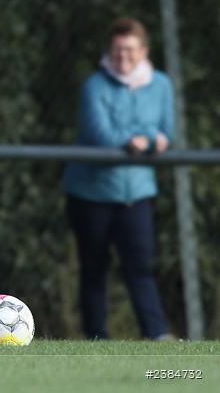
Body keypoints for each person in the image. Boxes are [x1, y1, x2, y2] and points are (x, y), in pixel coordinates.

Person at [63, 18, 174, 340]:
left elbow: (167, 132)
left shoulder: (162, 85)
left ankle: (157, 335)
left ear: (143, 51)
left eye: (129, 50)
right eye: (117, 50)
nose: (123, 57)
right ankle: (96, 337)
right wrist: (140, 139)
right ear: (109, 51)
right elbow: (100, 135)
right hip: (91, 194)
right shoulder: (95, 86)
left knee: (141, 269)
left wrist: (149, 139)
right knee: (94, 271)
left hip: (136, 193)